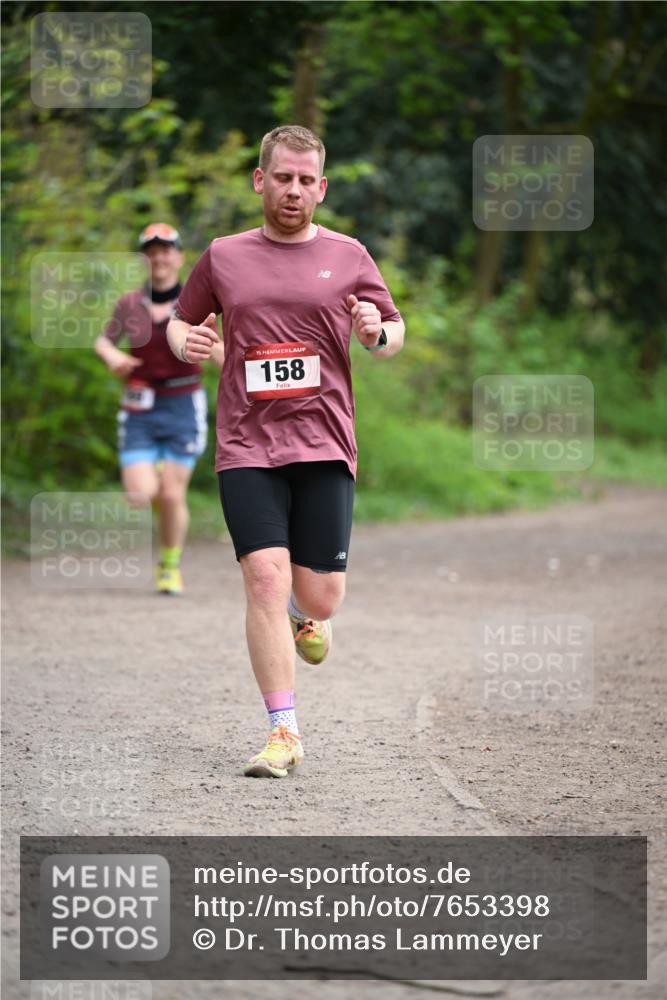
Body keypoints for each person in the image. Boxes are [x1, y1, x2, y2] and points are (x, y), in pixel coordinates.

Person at [167, 125, 405, 776]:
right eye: (282, 177)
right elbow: (182, 318)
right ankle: (283, 732)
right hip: (246, 443)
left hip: (324, 441)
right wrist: (183, 341)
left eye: (305, 180)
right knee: (264, 578)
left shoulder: (350, 255)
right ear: (259, 180)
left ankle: (309, 615)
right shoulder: (222, 256)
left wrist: (376, 332)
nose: (293, 190)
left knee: (320, 595)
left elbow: (392, 330)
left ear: (321, 188)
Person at [94, 223, 223, 595]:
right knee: (141, 494)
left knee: (171, 493)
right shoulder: (129, 305)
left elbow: (224, 357)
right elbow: (102, 342)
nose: (159, 258)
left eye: (166, 250)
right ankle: (162, 495)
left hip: (183, 405)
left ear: (179, 257)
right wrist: (113, 356)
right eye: (151, 252)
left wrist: (208, 343)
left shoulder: (197, 306)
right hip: (139, 407)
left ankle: (169, 566)